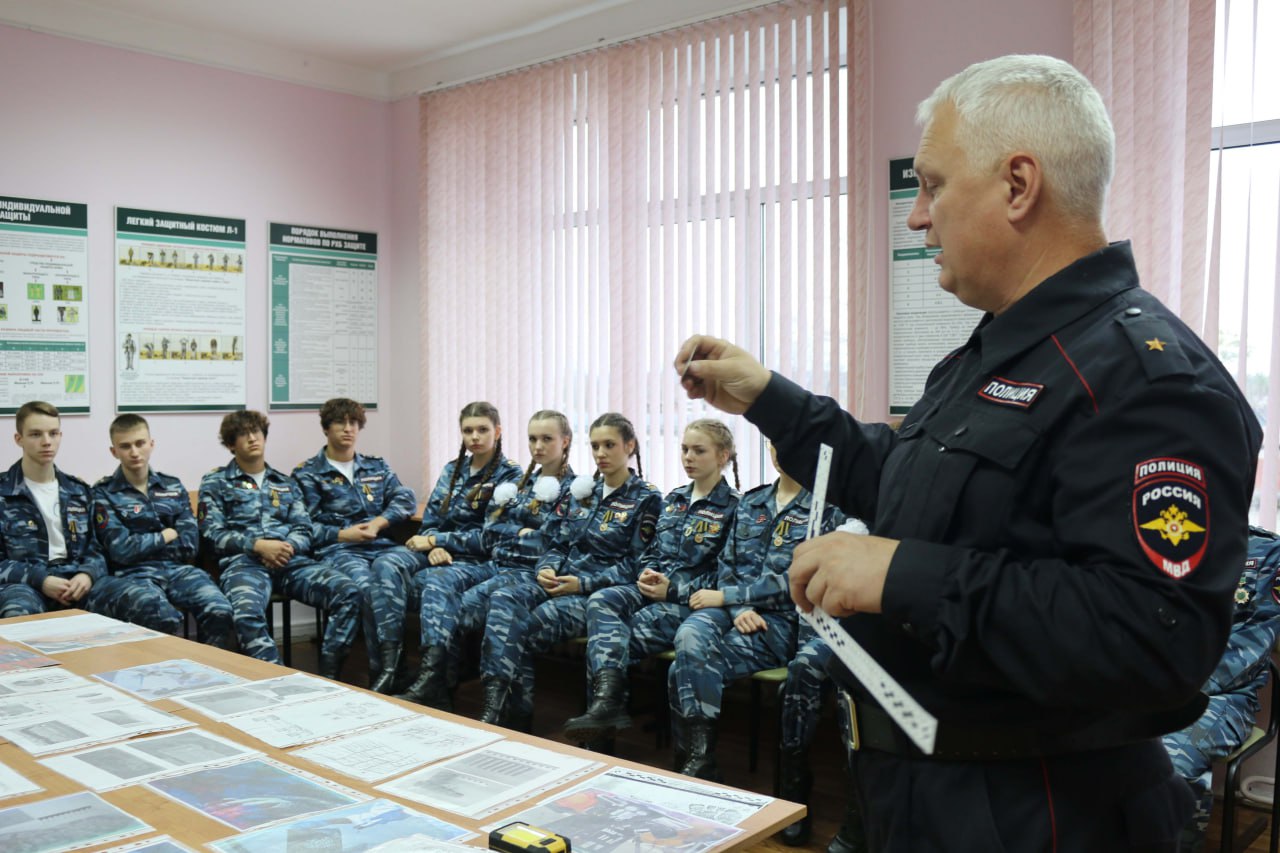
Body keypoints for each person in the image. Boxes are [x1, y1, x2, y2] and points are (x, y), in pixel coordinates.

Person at [676, 54, 1263, 850]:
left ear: (1018, 185)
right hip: (915, 791)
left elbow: (1150, 635)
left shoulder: (1146, 378)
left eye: (932, 184)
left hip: (1039, 811)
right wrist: (768, 398)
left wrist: (900, 574)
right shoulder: (999, 353)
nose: (917, 217)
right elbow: (907, 483)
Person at [667, 443, 843, 781]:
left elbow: (801, 581)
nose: (781, 451)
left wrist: (729, 597)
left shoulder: (828, 511)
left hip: (783, 620)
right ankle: (699, 760)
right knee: (688, 634)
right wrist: (738, 606)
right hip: (734, 608)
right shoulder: (752, 501)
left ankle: (691, 765)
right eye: (774, 443)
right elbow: (727, 563)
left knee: (680, 670)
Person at [476, 412, 662, 729]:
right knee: (505, 598)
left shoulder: (647, 499)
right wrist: (546, 568)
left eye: (609, 445)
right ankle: (500, 708)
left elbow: (637, 565)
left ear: (629, 446)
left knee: (516, 631)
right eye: (595, 446)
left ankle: (507, 715)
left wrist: (583, 583)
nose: (601, 454)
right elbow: (556, 542)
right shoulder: (582, 492)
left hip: (591, 593)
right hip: (558, 580)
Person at [563, 418, 741, 743]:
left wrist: (673, 589)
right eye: (685, 449)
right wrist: (647, 571)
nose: (688, 457)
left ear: (722, 456)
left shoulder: (736, 508)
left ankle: (600, 732)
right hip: (653, 591)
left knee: (606, 643)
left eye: (698, 450)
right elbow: (652, 550)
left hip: (691, 604)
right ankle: (606, 709)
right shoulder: (674, 500)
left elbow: (729, 576)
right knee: (602, 600)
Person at [397, 409, 575, 709]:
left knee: (494, 614)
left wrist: (519, 533)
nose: (538, 446)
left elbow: (553, 541)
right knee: (452, 612)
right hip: (499, 566)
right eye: (533, 439)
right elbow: (492, 532)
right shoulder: (519, 485)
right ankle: (440, 690)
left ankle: (503, 708)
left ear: (565, 441)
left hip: (532, 575)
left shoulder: (575, 490)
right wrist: (520, 531)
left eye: (547, 439)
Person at [198, 410, 360, 678]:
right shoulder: (215, 482)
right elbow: (212, 532)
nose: (252, 438)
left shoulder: (284, 482)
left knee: (348, 592)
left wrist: (286, 547)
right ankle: (280, 681)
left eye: (257, 432)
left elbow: (304, 528)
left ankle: (328, 678)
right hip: (244, 564)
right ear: (230, 444)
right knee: (245, 614)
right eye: (243, 434)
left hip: (290, 560)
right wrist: (257, 546)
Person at [1162, 527, 1280, 852]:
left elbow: (1243, 658)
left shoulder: (1267, 554)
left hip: (1221, 698)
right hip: (1145, 688)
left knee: (1170, 763)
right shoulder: (1151, 540)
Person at [292, 398, 418, 693]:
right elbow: (302, 526)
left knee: (415, 580)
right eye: (340, 423)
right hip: (339, 550)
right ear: (326, 428)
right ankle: (384, 674)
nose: (348, 429)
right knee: (369, 589)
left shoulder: (375, 466)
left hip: (381, 545)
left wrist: (378, 523)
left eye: (353, 423)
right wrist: (342, 534)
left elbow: (405, 498)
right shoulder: (307, 474)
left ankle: (413, 671)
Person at [89, 414, 234, 647]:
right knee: (161, 615)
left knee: (220, 610)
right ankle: (164, 674)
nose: (134, 452)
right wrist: (166, 534)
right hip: (134, 576)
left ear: (151, 444)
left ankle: (210, 669)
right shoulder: (103, 493)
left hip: (178, 571)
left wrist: (145, 542)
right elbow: (121, 550)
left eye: (140, 443)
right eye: (125, 446)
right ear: (114, 451)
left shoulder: (172, 486)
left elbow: (189, 544)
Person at [0, 401, 106, 617]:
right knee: (17, 612)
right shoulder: (3, 491)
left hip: (77, 581)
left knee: (143, 601)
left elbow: (98, 549)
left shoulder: (79, 492)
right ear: (18, 439)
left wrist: (87, 574)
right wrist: (41, 579)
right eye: (36, 434)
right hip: (25, 585)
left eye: (53, 433)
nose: (47, 442)